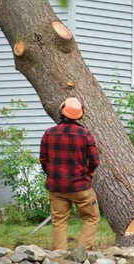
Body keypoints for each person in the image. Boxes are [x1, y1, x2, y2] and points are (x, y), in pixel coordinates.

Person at [39, 97, 100, 251]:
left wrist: (52, 175)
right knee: (91, 218)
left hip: (56, 188)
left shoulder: (48, 133)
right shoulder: (85, 134)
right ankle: (82, 255)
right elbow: (95, 161)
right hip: (81, 187)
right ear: (80, 115)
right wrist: (89, 174)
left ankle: (58, 257)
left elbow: (43, 160)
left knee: (58, 222)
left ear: (61, 112)